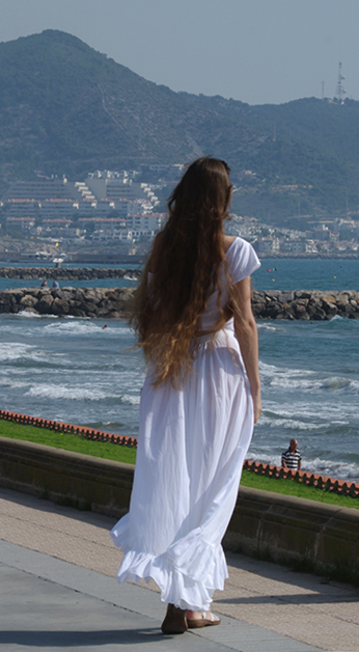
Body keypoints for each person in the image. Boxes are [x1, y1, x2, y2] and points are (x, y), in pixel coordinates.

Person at [111, 156, 262, 635]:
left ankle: (185, 601)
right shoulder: (235, 251)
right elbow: (246, 323)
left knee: (174, 482)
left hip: (172, 372)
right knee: (214, 489)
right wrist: (256, 389)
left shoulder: (164, 247)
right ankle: (189, 600)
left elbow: (153, 313)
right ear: (223, 199)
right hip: (220, 373)